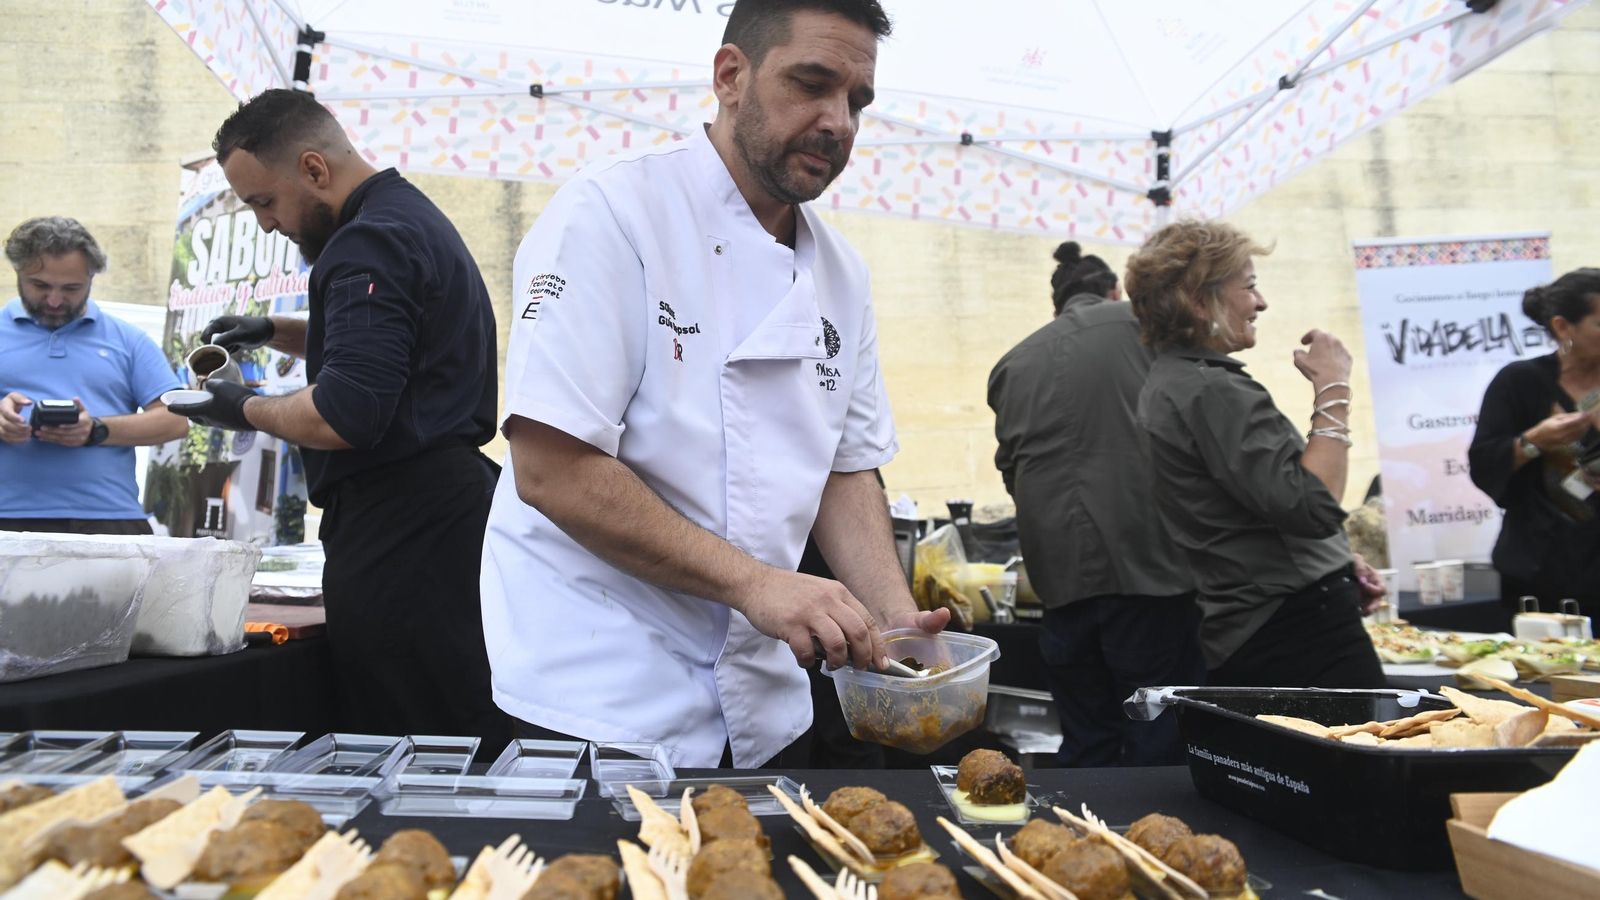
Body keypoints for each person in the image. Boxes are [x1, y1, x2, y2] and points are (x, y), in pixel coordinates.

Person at [480, 0, 949, 769]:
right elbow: (551, 468)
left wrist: (896, 620)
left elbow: (844, 465)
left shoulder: (843, 274)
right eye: (812, 83)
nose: (838, 121)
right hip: (598, 692)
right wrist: (756, 584)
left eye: (857, 100)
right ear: (731, 75)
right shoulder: (612, 213)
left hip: (765, 697)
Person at [166, 89, 509, 749]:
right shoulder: (406, 217)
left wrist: (239, 406)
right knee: (451, 722)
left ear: (315, 169)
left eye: (266, 202)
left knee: (412, 738)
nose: (267, 225)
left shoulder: (366, 245)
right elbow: (382, 341)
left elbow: (345, 414)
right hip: (443, 516)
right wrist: (274, 328)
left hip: (408, 531)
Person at [1128, 220, 1386, 689]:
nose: (1261, 302)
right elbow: (1313, 506)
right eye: (1248, 286)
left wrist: (1334, 560)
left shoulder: (1175, 382)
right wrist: (1333, 386)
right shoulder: (1209, 388)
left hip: (1270, 621)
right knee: (1366, 758)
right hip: (1296, 628)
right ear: (1199, 299)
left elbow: (1251, 507)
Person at [987, 241, 1202, 767]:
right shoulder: (1144, 326)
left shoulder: (1012, 363)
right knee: (1161, 742)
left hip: (1060, 587)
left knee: (1086, 744)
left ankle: (1083, 841)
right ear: (1113, 291)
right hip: (1149, 574)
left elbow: (1014, 471)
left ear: (1056, 307)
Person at [1, 217, 188, 535]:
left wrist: (97, 430)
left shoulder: (128, 339)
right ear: (17, 272)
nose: (55, 300)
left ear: (92, 277)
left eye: (72, 288)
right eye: (41, 286)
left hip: (110, 519)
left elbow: (176, 419)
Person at [1468, 269, 1600, 620]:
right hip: (1539, 568)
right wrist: (1533, 442)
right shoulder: (1520, 381)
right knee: (1547, 671)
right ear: (1562, 327)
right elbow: (1484, 464)